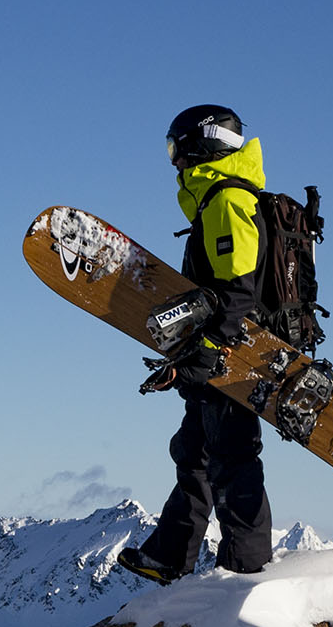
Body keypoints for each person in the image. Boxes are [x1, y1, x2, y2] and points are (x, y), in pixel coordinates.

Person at [117, 105, 274, 585]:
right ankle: (169, 556)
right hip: (217, 347)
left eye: (175, 147)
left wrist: (206, 349)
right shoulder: (217, 200)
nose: (173, 160)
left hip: (233, 351)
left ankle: (247, 569)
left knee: (231, 455)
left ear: (202, 144)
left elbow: (239, 289)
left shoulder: (227, 201)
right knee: (196, 451)